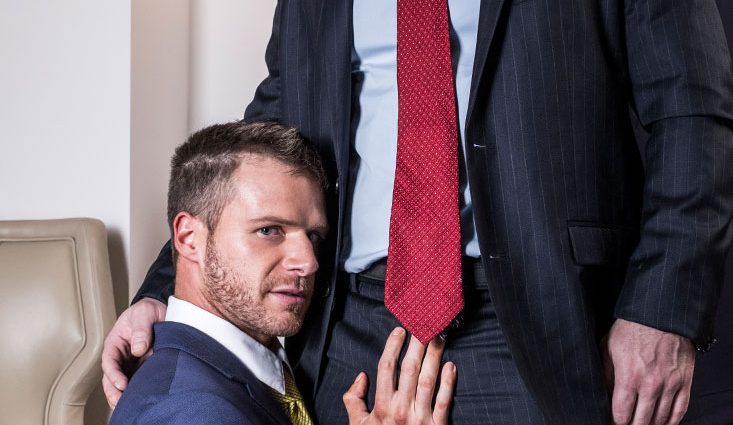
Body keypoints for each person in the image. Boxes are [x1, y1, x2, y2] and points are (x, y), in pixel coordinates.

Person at [104, 1, 733, 424]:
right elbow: (266, 133)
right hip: (346, 323)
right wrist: (171, 291)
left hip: (540, 321)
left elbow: (694, 114)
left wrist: (663, 310)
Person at [108, 121, 456, 425]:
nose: (308, 262)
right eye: (269, 230)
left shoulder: (240, 373)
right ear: (189, 238)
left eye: (313, 236)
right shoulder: (190, 412)